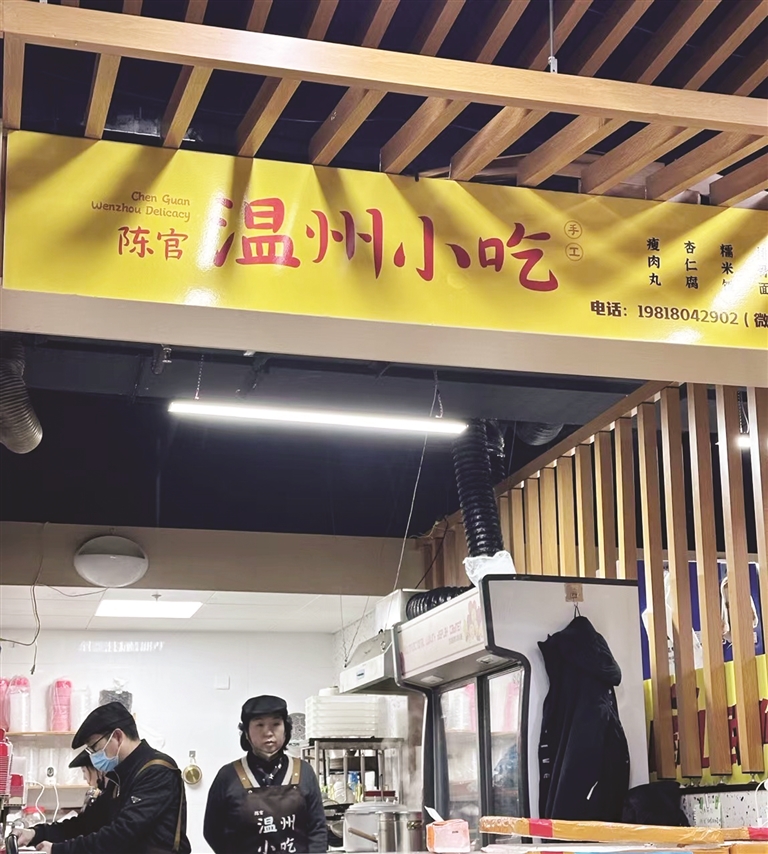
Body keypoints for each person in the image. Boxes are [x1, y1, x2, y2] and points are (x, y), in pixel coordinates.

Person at [14, 701, 191, 854]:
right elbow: (86, 824)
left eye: (95, 748)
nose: (93, 757)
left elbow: (121, 834)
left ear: (118, 737)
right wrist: (36, 834)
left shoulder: (157, 771)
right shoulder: (119, 777)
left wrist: (58, 849)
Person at [204, 695, 326, 854]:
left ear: (286, 729)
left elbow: (317, 828)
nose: (268, 732)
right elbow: (212, 831)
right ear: (246, 732)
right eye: (259, 725)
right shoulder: (228, 776)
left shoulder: (304, 771)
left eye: (276, 724)